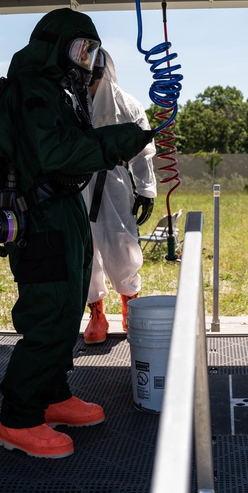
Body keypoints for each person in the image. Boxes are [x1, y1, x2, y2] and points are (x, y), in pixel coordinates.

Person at [0, 8, 155, 459]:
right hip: (39, 216)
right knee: (49, 314)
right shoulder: (32, 92)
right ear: (54, 47)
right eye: (80, 49)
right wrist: (119, 140)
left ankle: (53, 395)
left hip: (63, 210)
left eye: (92, 50)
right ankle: (18, 419)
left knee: (69, 307)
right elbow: (57, 152)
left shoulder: (60, 92)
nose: (86, 59)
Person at [81, 49, 157, 344]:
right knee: (85, 250)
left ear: (105, 71)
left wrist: (146, 190)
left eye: (95, 74)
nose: (91, 82)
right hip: (78, 182)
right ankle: (96, 313)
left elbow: (142, 152)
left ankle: (130, 306)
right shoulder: (72, 104)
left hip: (114, 183)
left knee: (122, 244)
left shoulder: (127, 105)